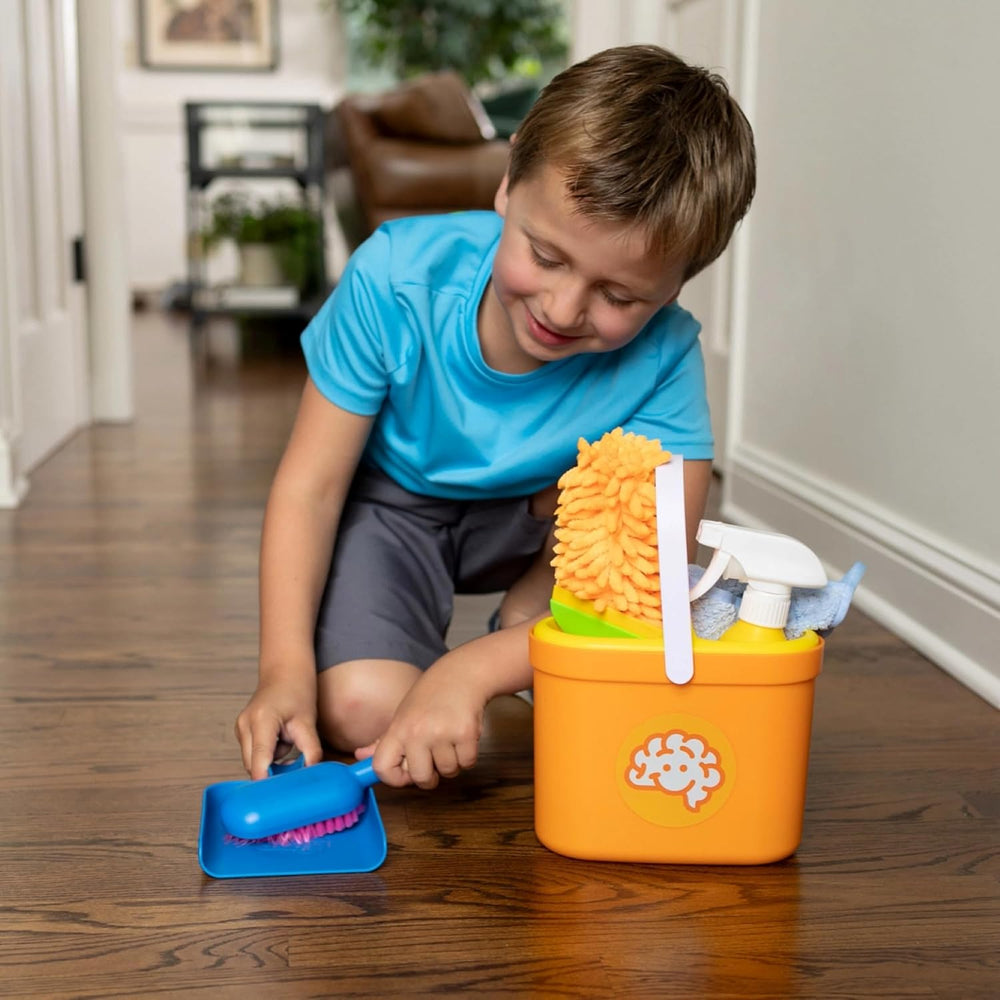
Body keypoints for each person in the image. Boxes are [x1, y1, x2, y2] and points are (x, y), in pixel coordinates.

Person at [234, 44, 756, 791]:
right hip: (395, 510)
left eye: (621, 297)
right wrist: (282, 673)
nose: (563, 310)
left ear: (678, 286)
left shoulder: (668, 355)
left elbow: (654, 566)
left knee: (576, 678)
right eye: (545, 255)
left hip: (549, 520)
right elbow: (310, 489)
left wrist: (474, 669)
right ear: (509, 182)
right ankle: (493, 665)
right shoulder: (395, 277)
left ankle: (517, 635)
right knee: (360, 709)